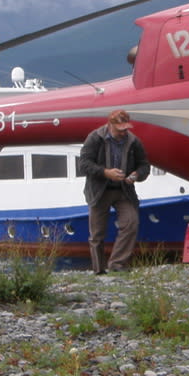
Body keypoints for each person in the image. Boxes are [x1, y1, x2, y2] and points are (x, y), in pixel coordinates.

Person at [78, 109, 150, 274]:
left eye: (126, 129)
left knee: (131, 223)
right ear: (110, 125)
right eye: (120, 129)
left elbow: (144, 165)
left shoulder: (134, 141)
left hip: (124, 190)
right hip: (99, 191)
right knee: (97, 233)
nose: (124, 133)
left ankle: (117, 264)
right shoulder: (94, 138)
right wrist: (105, 172)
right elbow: (84, 164)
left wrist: (137, 175)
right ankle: (98, 270)